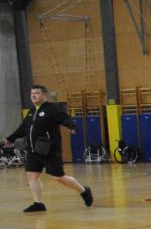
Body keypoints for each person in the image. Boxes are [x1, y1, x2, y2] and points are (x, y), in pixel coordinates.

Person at [4, 84, 92, 212]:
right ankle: (38, 203)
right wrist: (10, 139)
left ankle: (84, 191)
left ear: (44, 95)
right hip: (33, 150)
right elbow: (23, 128)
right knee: (32, 175)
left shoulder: (52, 109)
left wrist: (72, 127)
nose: (33, 96)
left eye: (37, 93)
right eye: (32, 94)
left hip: (49, 150)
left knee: (59, 177)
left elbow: (65, 118)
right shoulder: (32, 111)